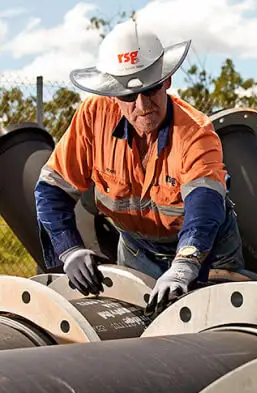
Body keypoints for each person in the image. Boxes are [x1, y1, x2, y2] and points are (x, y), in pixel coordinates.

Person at [34, 19, 244, 315]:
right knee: (140, 330)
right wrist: (69, 249)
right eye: (129, 96)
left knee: (216, 323)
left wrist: (185, 265)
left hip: (209, 252)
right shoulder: (93, 118)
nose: (143, 105)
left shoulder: (196, 131)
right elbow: (52, 189)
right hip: (136, 250)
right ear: (111, 94)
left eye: (151, 90)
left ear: (167, 81)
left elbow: (205, 206)